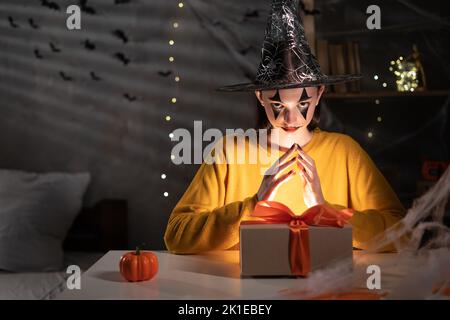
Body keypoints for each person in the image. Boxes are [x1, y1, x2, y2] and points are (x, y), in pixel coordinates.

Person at [164, 0, 406, 254]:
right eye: (278, 105)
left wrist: (326, 210)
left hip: (327, 287)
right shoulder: (229, 153)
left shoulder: (345, 152)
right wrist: (254, 205)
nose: (291, 120)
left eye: (303, 103)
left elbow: (403, 232)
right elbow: (177, 235)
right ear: (260, 96)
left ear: (319, 93)